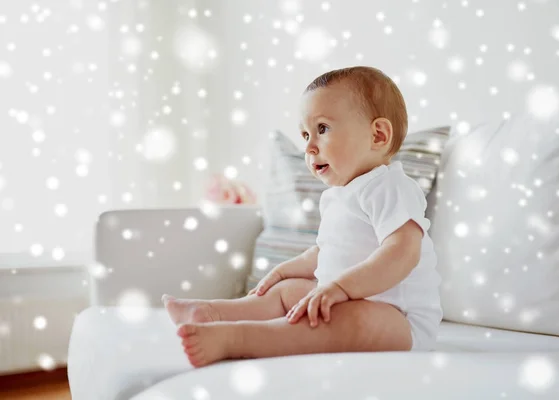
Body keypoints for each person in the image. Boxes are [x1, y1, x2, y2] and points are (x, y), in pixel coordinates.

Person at [162, 66, 442, 368]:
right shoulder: (338, 195)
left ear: (377, 135)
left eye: (322, 129)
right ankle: (213, 314)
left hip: (398, 319)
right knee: (288, 292)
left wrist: (340, 288)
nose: (308, 147)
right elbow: (326, 251)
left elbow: (402, 251)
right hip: (344, 299)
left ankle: (237, 339)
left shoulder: (389, 186)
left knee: (342, 320)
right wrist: (286, 271)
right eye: (305, 134)